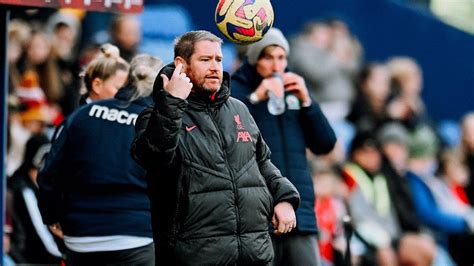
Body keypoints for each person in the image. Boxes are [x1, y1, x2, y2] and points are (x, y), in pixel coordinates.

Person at [131, 30, 300, 265]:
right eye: (205, 60)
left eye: (218, 60)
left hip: (254, 252)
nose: (214, 67)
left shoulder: (239, 109)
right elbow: (153, 158)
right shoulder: (156, 114)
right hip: (196, 256)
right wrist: (173, 103)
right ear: (182, 64)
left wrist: (284, 198)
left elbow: (262, 162)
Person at [37, 54, 163, 266]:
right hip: (135, 236)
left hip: (81, 237)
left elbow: (49, 174)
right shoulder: (156, 124)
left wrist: (52, 216)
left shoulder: (82, 115)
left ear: (128, 80)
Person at [231, 28, 336, 265]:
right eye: (268, 57)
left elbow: (325, 144)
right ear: (255, 59)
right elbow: (230, 139)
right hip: (257, 213)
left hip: (300, 210)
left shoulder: (295, 91)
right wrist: (256, 99)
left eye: (281, 57)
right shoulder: (238, 90)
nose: (276, 65)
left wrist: (307, 102)